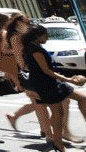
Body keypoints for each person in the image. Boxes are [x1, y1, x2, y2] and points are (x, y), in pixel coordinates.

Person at [21, 23, 81, 152]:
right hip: (45, 83)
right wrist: (69, 79)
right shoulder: (35, 50)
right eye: (45, 36)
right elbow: (46, 70)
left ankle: (58, 143)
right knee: (57, 113)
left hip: (48, 82)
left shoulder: (33, 47)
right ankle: (58, 144)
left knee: (79, 99)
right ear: (38, 36)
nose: (47, 38)